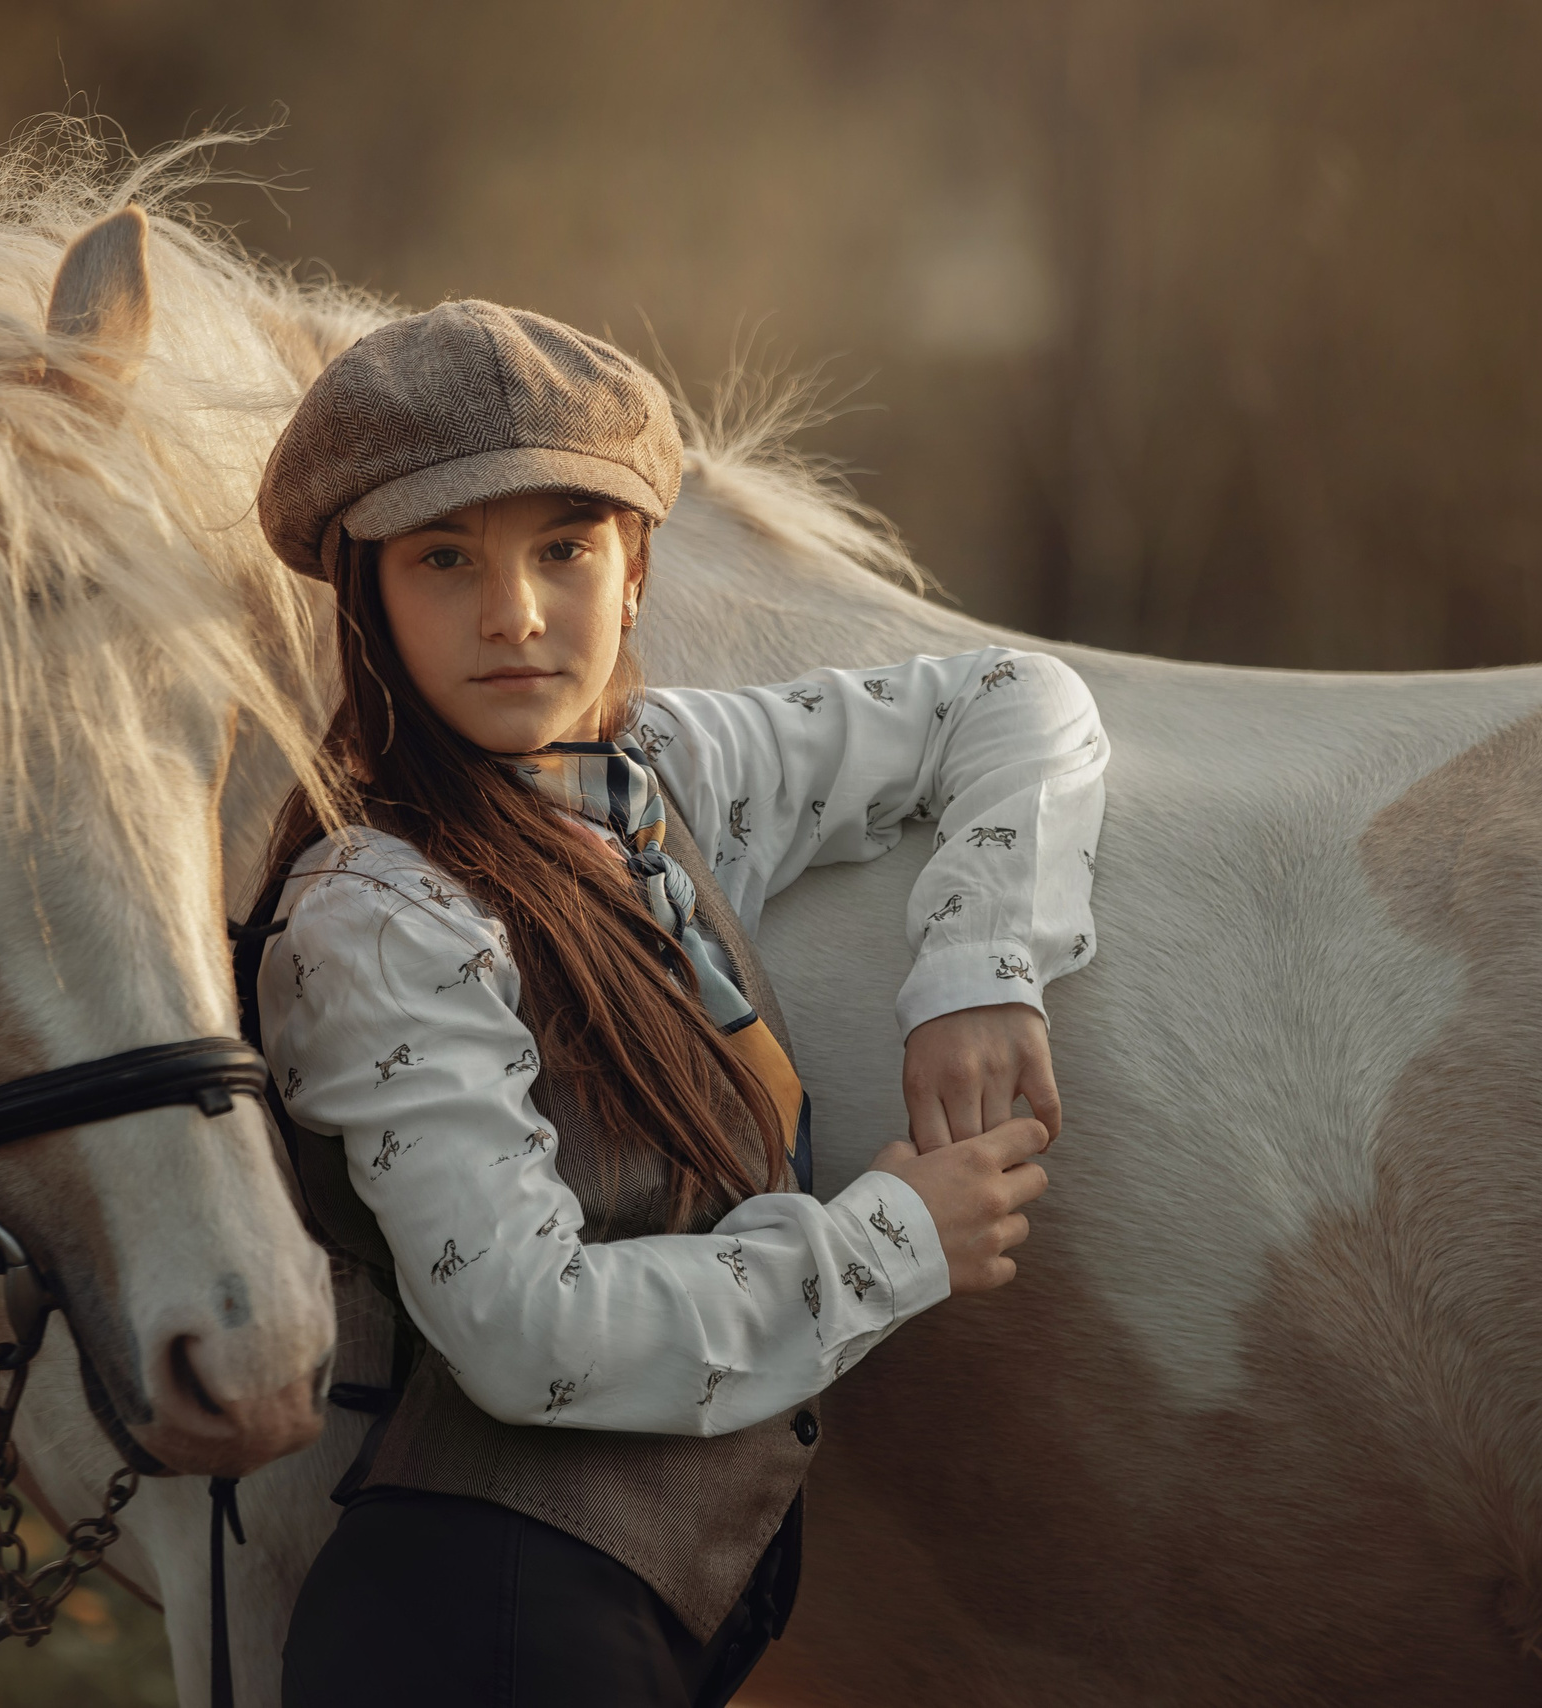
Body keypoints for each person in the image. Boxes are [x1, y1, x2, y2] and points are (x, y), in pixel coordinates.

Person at [247, 301, 1106, 1706]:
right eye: (445, 559)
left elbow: (1019, 697)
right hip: (477, 1640)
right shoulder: (378, 914)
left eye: (564, 549)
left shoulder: (671, 777)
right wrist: (892, 1243)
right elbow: (523, 1333)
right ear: (368, 597)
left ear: (636, 571)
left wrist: (977, 970)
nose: (514, 614)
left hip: (636, 1638)